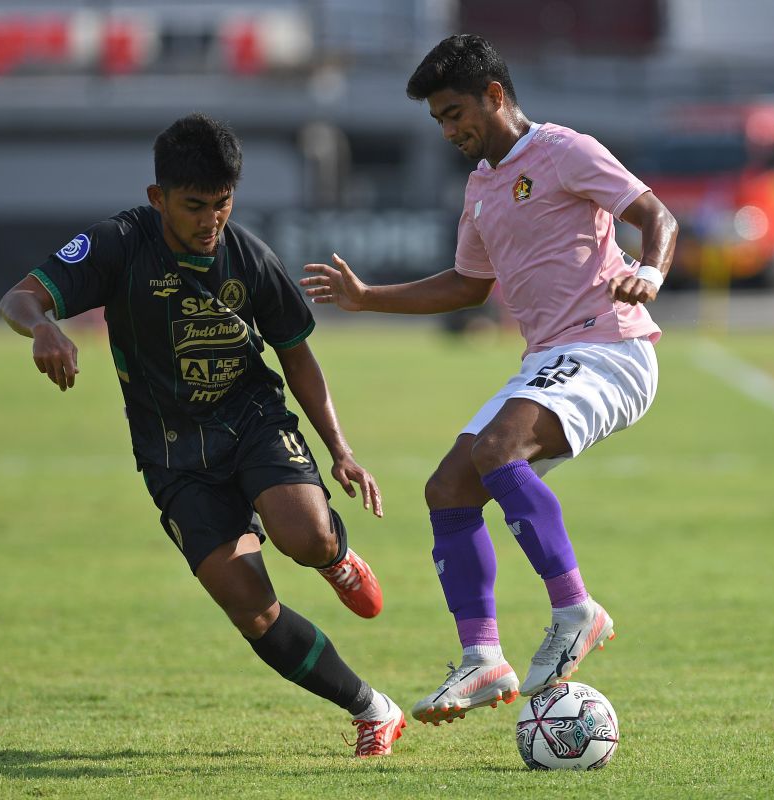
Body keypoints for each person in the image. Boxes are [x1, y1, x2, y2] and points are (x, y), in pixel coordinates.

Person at [0, 113, 405, 756]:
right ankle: (372, 708)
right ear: (157, 197)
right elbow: (19, 298)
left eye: (222, 204)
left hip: (252, 421)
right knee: (252, 606)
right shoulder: (118, 244)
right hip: (172, 454)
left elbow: (297, 355)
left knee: (303, 535)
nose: (210, 219)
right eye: (194, 206)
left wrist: (341, 452)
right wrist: (44, 326)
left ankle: (334, 556)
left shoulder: (250, 259)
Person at [301, 34, 678, 725]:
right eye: (439, 121)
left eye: (454, 113)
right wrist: (367, 297)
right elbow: (469, 286)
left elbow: (656, 215)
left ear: (495, 96)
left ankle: (576, 610)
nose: (449, 131)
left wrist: (648, 272)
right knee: (447, 487)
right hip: (550, 361)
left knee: (496, 451)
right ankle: (483, 660)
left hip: (612, 348)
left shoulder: (565, 150)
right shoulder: (480, 187)